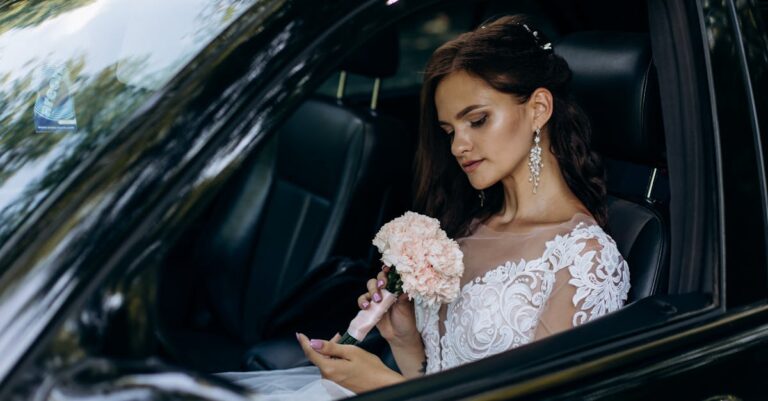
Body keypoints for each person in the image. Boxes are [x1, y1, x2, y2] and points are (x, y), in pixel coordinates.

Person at [218, 14, 630, 399]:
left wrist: (381, 386)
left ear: (538, 108)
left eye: (478, 120)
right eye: (449, 130)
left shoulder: (583, 260)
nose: (458, 146)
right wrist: (404, 338)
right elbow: (434, 378)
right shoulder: (469, 225)